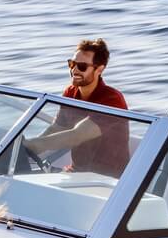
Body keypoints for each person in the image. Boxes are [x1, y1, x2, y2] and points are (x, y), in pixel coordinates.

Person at [24, 37, 131, 176]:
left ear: (99, 69)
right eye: (72, 64)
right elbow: (57, 127)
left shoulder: (112, 99)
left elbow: (77, 135)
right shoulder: (70, 92)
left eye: (82, 66)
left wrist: (33, 145)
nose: (74, 70)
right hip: (76, 173)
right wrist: (26, 148)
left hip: (107, 179)